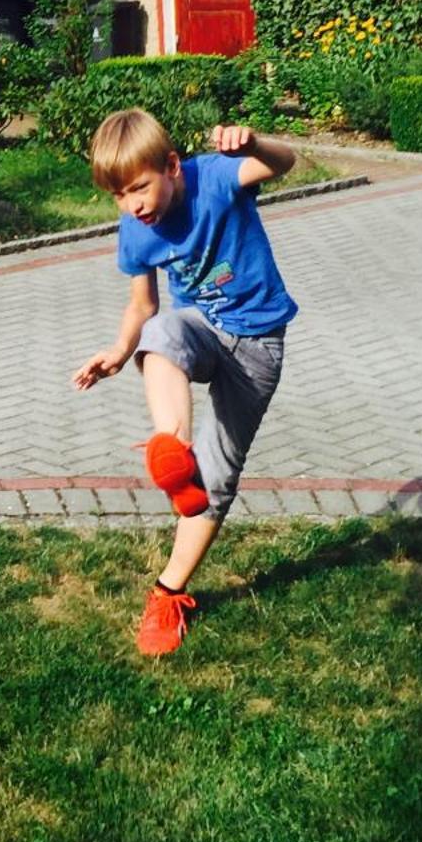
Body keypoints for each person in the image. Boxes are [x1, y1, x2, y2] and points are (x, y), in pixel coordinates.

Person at [73, 107, 298, 655]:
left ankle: (168, 591)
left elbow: (287, 162)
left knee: (217, 480)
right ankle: (172, 450)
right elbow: (142, 306)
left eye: (139, 189)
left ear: (172, 165)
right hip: (201, 329)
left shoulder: (217, 177)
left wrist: (254, 143)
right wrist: (119, 351)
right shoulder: (136, 230)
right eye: (120, 196)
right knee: (163, 329)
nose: (132, 206)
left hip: (257, 345)